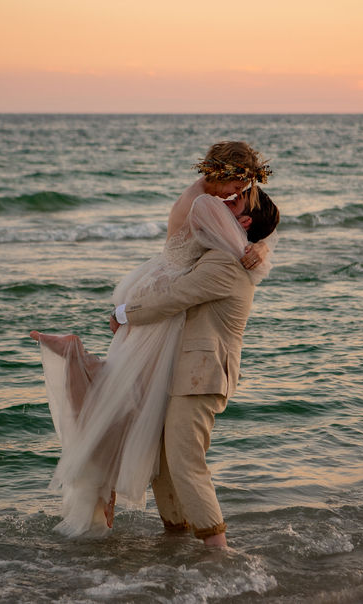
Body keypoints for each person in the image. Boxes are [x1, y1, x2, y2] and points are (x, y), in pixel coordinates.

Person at [30, 142, 274, 537]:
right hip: (167, 292)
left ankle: (177, 533)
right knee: (132, 403)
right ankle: (149, 513)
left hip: (173, 301)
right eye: (239, 187)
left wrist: (258, 247)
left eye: (243, 193)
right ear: (230, 175)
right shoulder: (203, 204)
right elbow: (202, 263)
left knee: (138, 407)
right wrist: (248, 247)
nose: (240, 198)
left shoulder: (219, 202)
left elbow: (265, 221)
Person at [112, 186, 280, 547]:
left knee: (186, 461)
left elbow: (177, 296)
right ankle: (177, 539)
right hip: (189, 371)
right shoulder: (226, 251)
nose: (223, 203)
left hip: (202, 373)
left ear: (244, 221)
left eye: (233, 202)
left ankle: (218, 554)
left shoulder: (225, 261)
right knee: (165, 461)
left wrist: (125, 314)